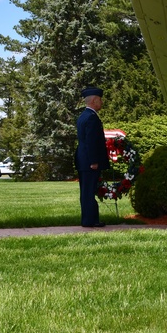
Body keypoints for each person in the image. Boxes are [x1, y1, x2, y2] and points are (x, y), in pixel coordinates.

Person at [75, 86, 110, 227]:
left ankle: (88, 219)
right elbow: (91, 141)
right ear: (94, 101)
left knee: (86, 191)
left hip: (82, 160)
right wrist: (94, 161)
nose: (101, 102)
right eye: (100, 100)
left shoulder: (83, 117)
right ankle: (90, 220)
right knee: (89, 191)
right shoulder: (91, 118)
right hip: (89, 162)